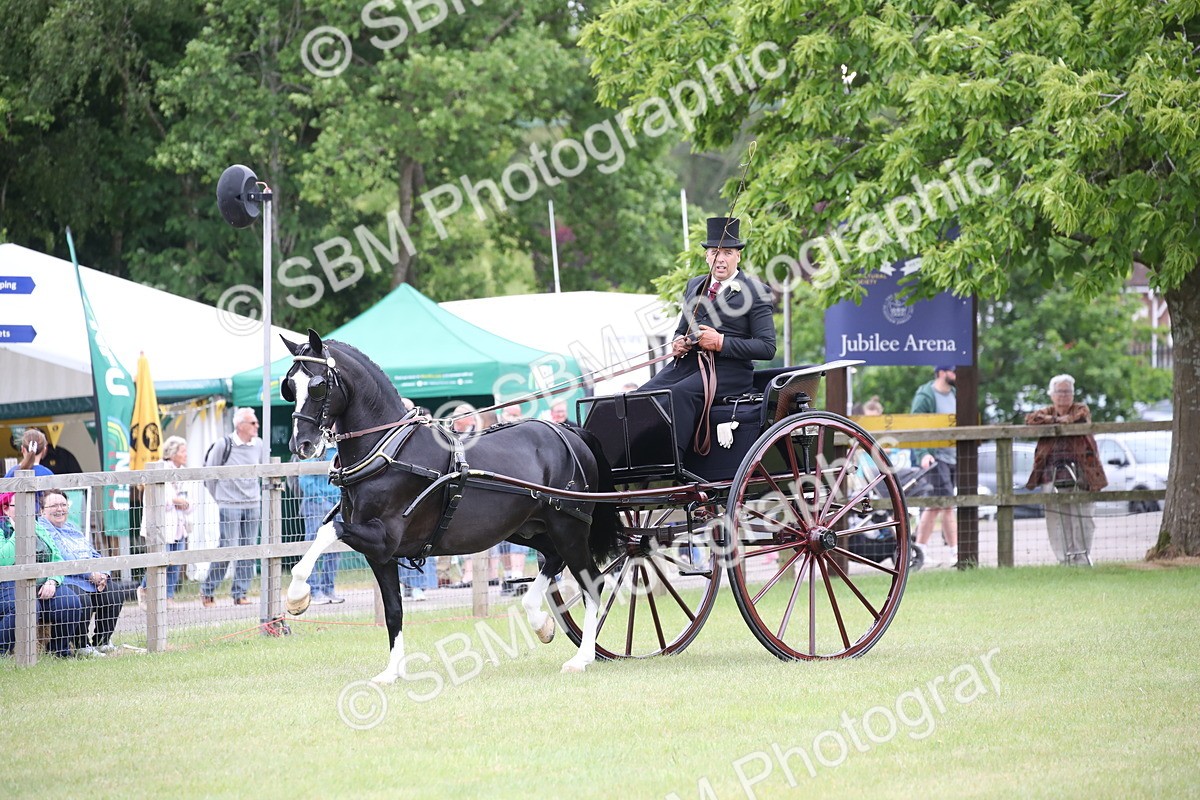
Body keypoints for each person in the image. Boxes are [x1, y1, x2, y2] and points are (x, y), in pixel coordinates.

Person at [639, 216, 776, 458]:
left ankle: (673, 462)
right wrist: (678, 341)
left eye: (727, 252)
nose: (720, 259)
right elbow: (682, 328)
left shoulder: (756, 292)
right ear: (706, 256)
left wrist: (721, 342)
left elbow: (766, 348)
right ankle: (637, 458)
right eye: (714, 252)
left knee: (680, 394)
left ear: (738, 256)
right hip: (688, 365)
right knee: (641, 397)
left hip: (729, 372)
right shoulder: (695, 285)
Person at [1024, 374, 1108, 565]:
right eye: (1060, 391)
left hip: (1082, 470)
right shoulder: (1045, 412)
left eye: (1067, 391)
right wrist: (1055, 419)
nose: (1064, 395)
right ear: (1051, 395)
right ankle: (1064, 559)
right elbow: (1031, 419)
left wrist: (1057, 421)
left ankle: (1082, 556)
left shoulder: (1080, 409)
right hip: (1050, 472)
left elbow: (1078, 416)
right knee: (1056, 516)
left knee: (1083, 515)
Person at [0, 491, 85, 658]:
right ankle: (2, 651)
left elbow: (57, 557)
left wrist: (53, 580)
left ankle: (58, 652)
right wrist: (20, 532)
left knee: (71, 602)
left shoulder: (37, 525)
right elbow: (3, 560)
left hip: (42, 582)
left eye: (29, 506)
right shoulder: (2, 528)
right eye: (21, 506)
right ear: (5, 508)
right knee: (27, 606)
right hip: (8, 585)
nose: (27, 510)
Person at [39, 489, 124, 656]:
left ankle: (102, 641)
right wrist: (91, 575)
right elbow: (64, 555)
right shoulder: (44, 529)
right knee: (81, 599)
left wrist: (103, 574)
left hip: (91, 577)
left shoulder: (72, 528)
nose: (60, 509)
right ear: (42, 510)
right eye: (54, 505)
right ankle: (81, 645)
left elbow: (94, 553)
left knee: (115, 592)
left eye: (63, 504)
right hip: (66, 580)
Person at [201, 407, 266, 607]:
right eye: (253, 423)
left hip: (252, 503)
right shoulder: (224, 444)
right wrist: (221, 498)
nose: (257, 426)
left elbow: (264, 470)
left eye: (256, 422)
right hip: (229, 504)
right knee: (228, 547)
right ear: (240, 425)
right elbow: (209, 473)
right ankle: (208, 590)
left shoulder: (259, 444)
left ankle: (240, 593)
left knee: (248, 549)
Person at [137, 436, 193, 608]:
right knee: (160, 561)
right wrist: (176, 501)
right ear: (172, 453)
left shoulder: (184, 472)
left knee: (175, 562)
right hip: (161, 527)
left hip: (180, 526)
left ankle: (168, 597)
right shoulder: (158, 468)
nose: (186, 454)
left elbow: (191, 500)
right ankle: (145, 589)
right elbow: (158, 499)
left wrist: (185, 504)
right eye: (183, 451)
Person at [910, 366, 958, 556]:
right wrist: (923, 454)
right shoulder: (925, 396)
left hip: (954, 455)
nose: (956, 375)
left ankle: (920, 549)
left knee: (936, 504)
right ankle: (956, 551)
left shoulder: (955, 394)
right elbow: (915, 427)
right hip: (935, 457)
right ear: (941, 372)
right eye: (953, 371)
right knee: (946, 503)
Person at [299, 443, 344, 604]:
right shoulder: (314, 448)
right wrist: (321, 500)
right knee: (313, 546)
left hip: (337, 504)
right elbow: (304, 478)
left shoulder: (340, 448)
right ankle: (313, 589)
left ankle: (328, 588)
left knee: (335, 547)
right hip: (315, 504)